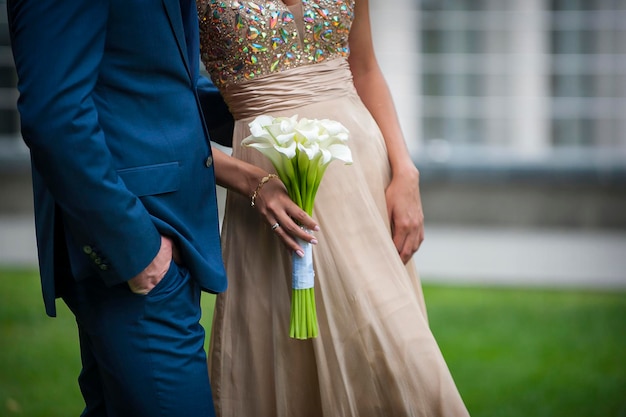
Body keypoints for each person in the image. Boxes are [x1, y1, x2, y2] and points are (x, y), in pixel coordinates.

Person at [7, 1, 316, 416]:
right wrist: (137, 253)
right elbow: (53, 115)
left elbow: (151, 81)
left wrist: (272, 101)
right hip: (136, 245)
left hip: (164, 236)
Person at [197, 0, 470, 416]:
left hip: (359, 174)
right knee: (292, 365)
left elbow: (364, 69)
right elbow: (158, 110)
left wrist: (405, 171)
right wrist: (247, 179)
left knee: (398, 357)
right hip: (268, 189)